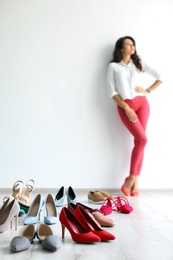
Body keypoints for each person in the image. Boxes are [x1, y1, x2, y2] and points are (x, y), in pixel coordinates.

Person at [107, 36, 162, 196]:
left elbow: (160, 76)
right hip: (126, 106)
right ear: (121, 48)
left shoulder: (138, 64)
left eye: (133, 44)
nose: (132, 47)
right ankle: (131, 179)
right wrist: (126, 107)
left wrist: (148, 90)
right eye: (129, 44)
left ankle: (135, 181)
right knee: (142, 139)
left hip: (143, 104)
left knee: (141, 141)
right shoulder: (113, 67)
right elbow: (112, 92)